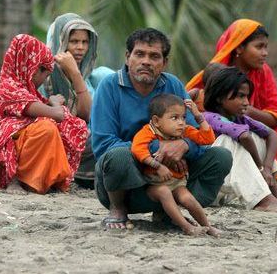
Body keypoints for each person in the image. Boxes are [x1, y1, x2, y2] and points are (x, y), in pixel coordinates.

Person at [91, 28, 232, 229]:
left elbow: (195, 133)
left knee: (221, 157)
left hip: (171, 181)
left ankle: (168, 212)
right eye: (139, 54)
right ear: (127, 57)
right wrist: (160, 148)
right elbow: (103, 144)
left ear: (164, 63)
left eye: (154, 56)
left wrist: (184, 145)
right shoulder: (109, 86)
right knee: (118, 155)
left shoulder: (173, 84)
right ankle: (118, 209)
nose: (146, 61)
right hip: (126, 184)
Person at [186, 19, 277, 183]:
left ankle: (266, 178)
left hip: (250, 129)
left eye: (266, 47)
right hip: (216, 135)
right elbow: (185, 110)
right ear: (239, 47)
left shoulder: (264, 72)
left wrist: (244, 110)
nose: (265, 53)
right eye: (259, 47)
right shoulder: (215, 73)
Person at [0, 34, 88, 193]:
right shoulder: (9, 89)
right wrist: (55, 103)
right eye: (45, 74)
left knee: (71, 126)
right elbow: (57, 114)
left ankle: (43, 178)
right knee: (45, 127)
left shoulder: (26, 91)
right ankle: (16, 178)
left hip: (18, 149)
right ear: (33, 68)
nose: (44, 80)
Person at [203, 67, 277, 214]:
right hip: (208, 187)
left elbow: (272, 135)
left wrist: (267, 168)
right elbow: (244, 137)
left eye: (247, 97)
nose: (246, 102)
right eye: (240, 96)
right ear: (219, 98)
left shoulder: (240, 119)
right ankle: (263, 201)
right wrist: (260, 167)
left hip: (226, 188)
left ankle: (273, 192)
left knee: (258, 137)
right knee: (232, 139)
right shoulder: (209, 117)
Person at [131, 94, 221, 236]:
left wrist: (198, 116)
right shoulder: (148, 131)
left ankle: (207, 226)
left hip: (177, 181)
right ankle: (186, 227)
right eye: (175, 118)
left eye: (183, 117)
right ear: (156, 121)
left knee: (187, 198)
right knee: (165, 193)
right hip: (154, 183)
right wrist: (158, 166)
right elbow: (138, 149)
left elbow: (208, 138)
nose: (181, 122)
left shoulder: (184, 131)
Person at [42, 13, 114, 184]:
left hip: (93, 143)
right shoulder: (44, 78)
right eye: (74, 41)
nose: (80, 47)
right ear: (60, 42)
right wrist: (74, 74)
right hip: (65, 146)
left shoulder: (93, 78)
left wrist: (77, 75)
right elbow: (87, 116)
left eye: (85, 42)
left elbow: (94, 117)